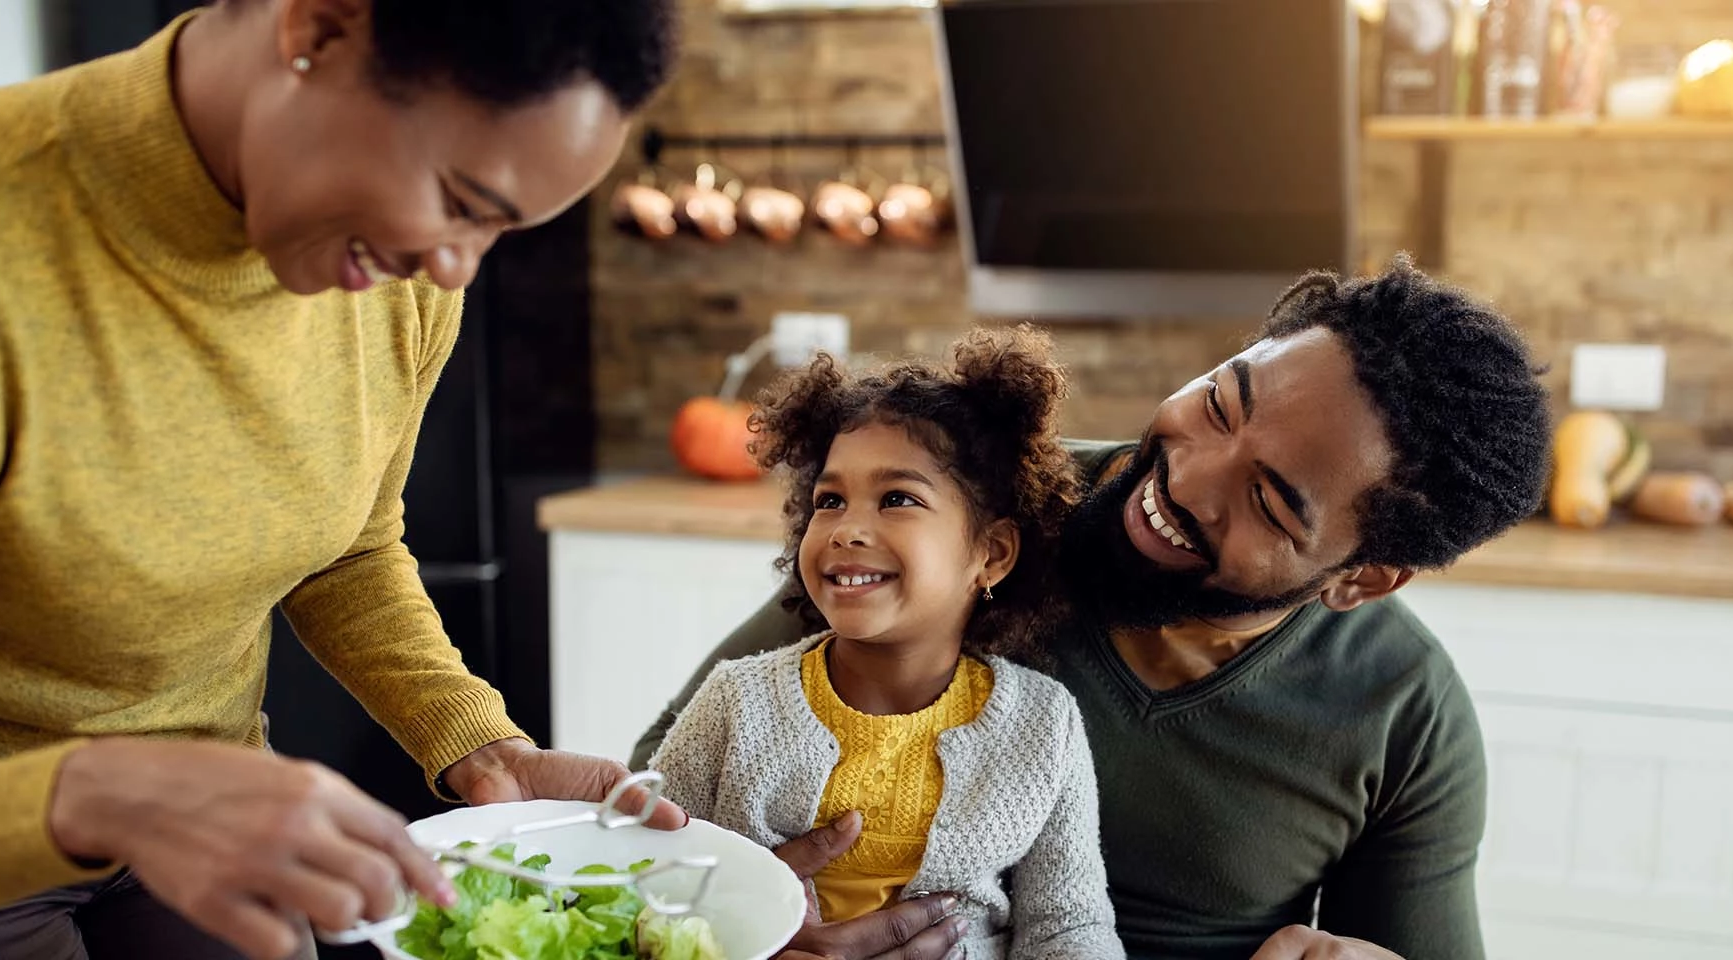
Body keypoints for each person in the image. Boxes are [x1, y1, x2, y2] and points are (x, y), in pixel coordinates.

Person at [0, 1, 682, 958]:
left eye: (499, 229)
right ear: (319, 31)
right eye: (460, 199)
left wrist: (477, 743)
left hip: (214, 807)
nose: (456, 267)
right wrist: (111, 794)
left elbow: (349, 545)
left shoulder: (404, 280)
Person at [633, 256, 1555, 960]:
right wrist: (740, 918)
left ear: (1362, 577)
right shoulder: (971, 509)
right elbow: (663, 788)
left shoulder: (1402, 713)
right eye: (1221, 403)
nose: (1187, 479)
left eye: (1269, 502)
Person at [650, 327, 1123, 960]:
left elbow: (1069, 927)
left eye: (896, 498)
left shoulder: (1045, 725)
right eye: (830, 500)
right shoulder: (735, 702)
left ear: (992, 553)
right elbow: (647, 874)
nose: (846, 529)